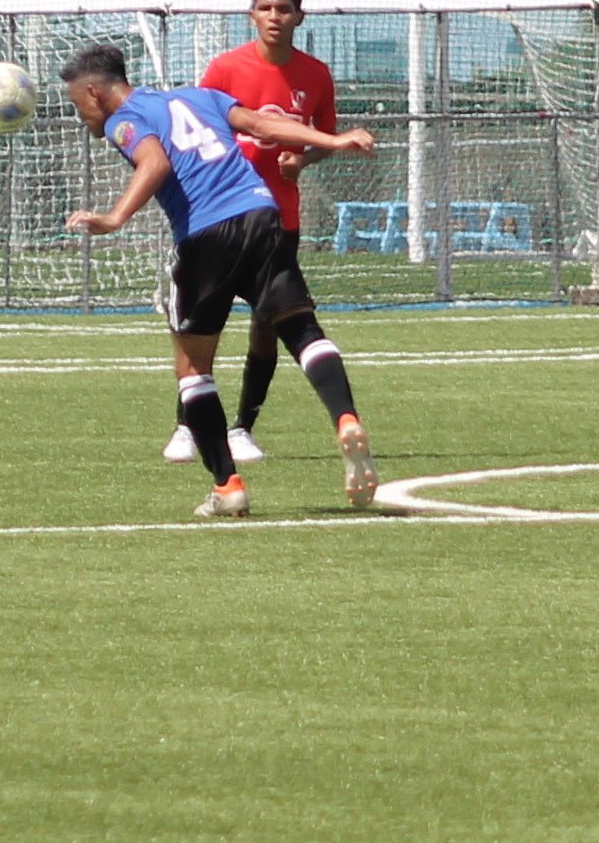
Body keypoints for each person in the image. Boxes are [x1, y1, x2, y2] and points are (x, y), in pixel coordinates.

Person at [60, 42, 379, 518]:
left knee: (193, 369)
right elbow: (262, 125)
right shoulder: (198, 95)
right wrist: (333, 141)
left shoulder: (120, 120)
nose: (81, 115)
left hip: (207, 234)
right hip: (261, 212)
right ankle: (346, 418)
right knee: (300, 328)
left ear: (93, 91)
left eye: (76, 104)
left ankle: (227, 485)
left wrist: (113, 218)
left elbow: (155, 163)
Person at [162, 0, 339, 467]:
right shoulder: (224, 69)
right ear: (252, 15)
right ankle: (186, 426)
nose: (274, 18)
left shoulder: (316, 75)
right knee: (204, 325)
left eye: (283, 10)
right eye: (265, 9)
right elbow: (192, 131)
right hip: (219, 220)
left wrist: (301, 161)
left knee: (268, 325)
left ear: (299, 17)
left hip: (278, 220)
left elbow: (322, 138)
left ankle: (242, 428)